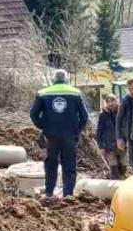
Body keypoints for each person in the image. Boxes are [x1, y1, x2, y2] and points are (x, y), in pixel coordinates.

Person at [29, 69, 89, 200]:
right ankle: (68, 194)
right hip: (70, 136)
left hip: (50, 136)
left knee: (51, 164)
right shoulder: (76, 93)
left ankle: (49, 193)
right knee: (69, 164)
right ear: (66, 79)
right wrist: (77, 130)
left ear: (53, 80)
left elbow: (33, 114)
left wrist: (42, 126)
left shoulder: (43, 93)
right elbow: (85, 117)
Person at [116, 78, 133, 172]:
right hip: (132, 135)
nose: (132, 91)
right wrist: (119, 137)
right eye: (130, 89)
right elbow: (119, 119)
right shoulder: (126, 100)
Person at [96, 94, 122, 179]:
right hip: (109, 147)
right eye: (108, 102)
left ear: (116, 101)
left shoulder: (122, 112)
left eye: (112, 101)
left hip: (122, 146)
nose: (110, 104)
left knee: (123, 169)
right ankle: (115, 187)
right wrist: (101, 146)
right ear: (106, 103)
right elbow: (99, 132)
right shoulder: (103, 115)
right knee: (114, 169)